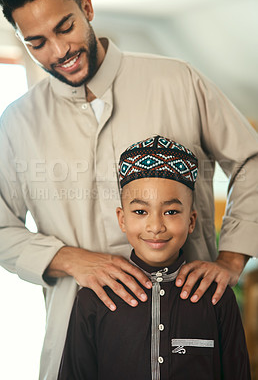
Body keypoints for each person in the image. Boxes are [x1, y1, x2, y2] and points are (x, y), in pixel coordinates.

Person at [0, 0, 257, 379]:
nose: (58, 51)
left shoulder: (178, 82)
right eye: (36, 43)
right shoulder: (16, 124)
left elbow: (251, 161)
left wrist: (232, 257)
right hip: (78, 344)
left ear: (86, 7)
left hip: (193, 337)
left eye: (64, 27)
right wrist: (68, 258)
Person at [58, 135, 251, 380]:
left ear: (191, 221)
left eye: (171, 211)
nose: (156, 226)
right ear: (122, 219)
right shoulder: (93, 299)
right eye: (140, 211)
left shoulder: (217, 298)